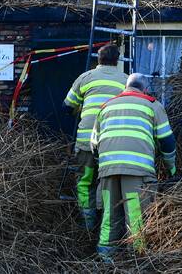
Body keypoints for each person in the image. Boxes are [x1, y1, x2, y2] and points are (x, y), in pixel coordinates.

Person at [91, 72, 176, 262]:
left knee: (109, 216)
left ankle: (105, 259)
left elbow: (94, 145)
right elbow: (167, 142)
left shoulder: (106, 106)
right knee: (136, 218)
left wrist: (104, 166)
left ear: (126, 87)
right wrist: (172, 168)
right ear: (145, 89)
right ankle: (136, 260)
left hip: (107, 170)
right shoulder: (152, 105)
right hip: (137, 172)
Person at [63, 44, 127, 230]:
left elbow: (67, 107)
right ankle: (108, 224)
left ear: (98, 59)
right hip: (113, 144)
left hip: (86, 143)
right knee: (110, 184)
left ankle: (87, 224)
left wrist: (82, 109)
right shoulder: (125, 80)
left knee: (85, 181)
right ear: (117, 60)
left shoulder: (85, 78)